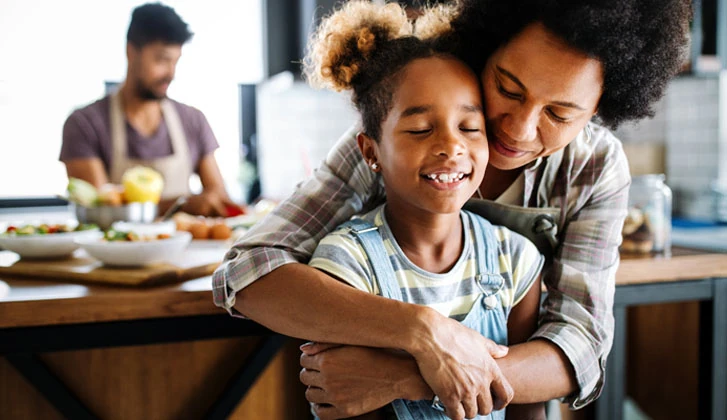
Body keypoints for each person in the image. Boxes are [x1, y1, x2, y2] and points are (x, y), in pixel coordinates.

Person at [212, 0, 691, 418]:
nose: (519, 130)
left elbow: (580, 349)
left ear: (600, 110)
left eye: (559, 114)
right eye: (508, 88)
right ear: (487, 48)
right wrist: (422, 332)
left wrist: (413, 375)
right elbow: (250, 272)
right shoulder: (403, 134)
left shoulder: (596, 167)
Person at [301, 2, 544, 419]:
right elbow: (344, 394)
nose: (452, 146)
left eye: (470, 128)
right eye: (420, 129)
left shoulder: (515, 259)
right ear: (370, 151)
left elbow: (528, 406)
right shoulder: (347, 264)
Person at [59, 2, 242, 217]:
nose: (170, 73)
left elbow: (217, 195)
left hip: (186, 250)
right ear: (131, 52)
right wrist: (180, 205)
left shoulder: (193, 120)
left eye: (175, 61)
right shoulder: (85, 124)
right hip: (118, 249)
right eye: (162, 60)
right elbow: (102, 209)